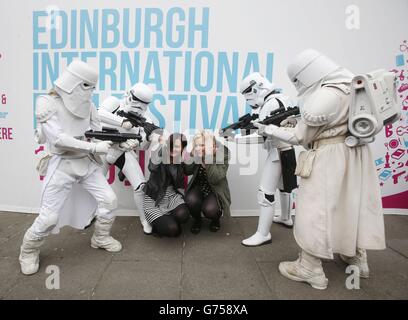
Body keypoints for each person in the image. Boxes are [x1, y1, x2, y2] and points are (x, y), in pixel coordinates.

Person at [254, 49, 386, 289]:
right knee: (351, 205)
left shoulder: (326, 95)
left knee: (314, 210)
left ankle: (310, 267)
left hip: (328, 156)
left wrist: (269, 129)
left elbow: (299, 137)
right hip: (355, 154)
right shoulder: (353, 84)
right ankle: (356, 257)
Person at [19, 60, 123, 276]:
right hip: (62, 164)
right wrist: (95, 146)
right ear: (74, 82)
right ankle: (28, 250)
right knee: (48, 218)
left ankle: (100, 237)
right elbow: (58, 139)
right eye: (87, 86)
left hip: (86, 163)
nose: (90, 91)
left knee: (109, 200)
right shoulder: (46, 103)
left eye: (93, 87)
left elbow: (97, 132)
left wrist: (119, 142)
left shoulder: (90, 107)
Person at [236, 73, 298, 247]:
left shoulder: (271, 103)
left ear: (256, 88)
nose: (249, 99)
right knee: (284, 188)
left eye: (248, 93)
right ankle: (286, 217)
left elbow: (264, 134)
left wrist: (236, 139)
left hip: (277, 151)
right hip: (288, 149)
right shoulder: (282, 98)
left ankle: (263, 234)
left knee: (265, 193)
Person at [98, 83, 159, 235]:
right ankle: (88, 213)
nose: (138, 107)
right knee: (94, 183)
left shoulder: (146, 119)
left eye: (143, 104)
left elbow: (145, 143)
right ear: (129, 94)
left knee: (140, 187)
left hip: (123, 152)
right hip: (104, 147)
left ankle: (144, 219)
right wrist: (122, 122)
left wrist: (136, 142)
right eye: (136, 101)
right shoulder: (114, 103)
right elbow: (98, 114)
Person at [143, 133, 190, 237]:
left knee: (184, 215)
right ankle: (157, 224)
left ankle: (167, 218)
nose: (173, 148)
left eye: (177, 146)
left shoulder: (179, 162)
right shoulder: (159, 156)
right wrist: (161, 146)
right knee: (173, 230)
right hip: (154, 197)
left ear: (182, 148)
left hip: (171, 195)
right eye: (171, 145)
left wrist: (184, 199)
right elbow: (152, 167)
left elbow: (180, 183)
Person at [184, 130, 231, 234]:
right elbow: (187, 171)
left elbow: (215, 178)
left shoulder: (223, 154)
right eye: (198, 145)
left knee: (210, 209)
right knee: (190, 200)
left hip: (215, 190)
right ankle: (197, 220)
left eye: (204, 145)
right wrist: (193, 155)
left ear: (212, 145)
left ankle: (215, 220)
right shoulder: (197, 154)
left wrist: (209, 156)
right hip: (199, 187)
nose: (201, 148)